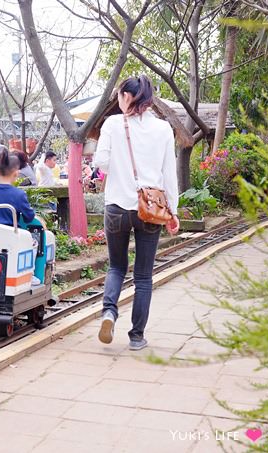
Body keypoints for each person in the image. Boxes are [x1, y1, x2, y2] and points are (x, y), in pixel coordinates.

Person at [93, 75, 180, 351]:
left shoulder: (112, 124)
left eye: (120, 96)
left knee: (116, 266)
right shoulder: (164, 129)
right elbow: (169, 174)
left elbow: (101, 161)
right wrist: (173, 211)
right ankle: (137, 336)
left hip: (117, 206)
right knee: (143, 276)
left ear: (127, 97)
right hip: (150, 209)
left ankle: (109, 312)